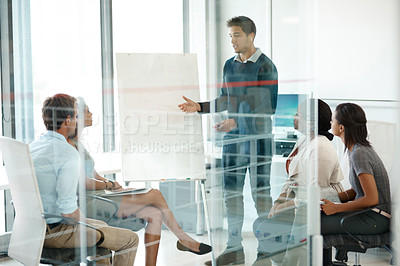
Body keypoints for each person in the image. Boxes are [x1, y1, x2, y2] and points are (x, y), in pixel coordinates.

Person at [179, 16, 278, 265]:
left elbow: (268, 107)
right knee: (231, 196)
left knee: (260, 195)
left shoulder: (266, 66)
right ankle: (234, 250)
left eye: (236, 35)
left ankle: (266, 251)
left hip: (258, 141)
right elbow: (226, 100)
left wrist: (238, 120)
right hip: (234, 141)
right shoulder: (229, 65)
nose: (232, 40)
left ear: (251, 36)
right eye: (230, 36)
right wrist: (199, 106)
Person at [68, 97, 211, 266]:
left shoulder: (79, 143)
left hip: (99, 194)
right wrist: (109, 185)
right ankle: (184, 239)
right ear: (77, 118)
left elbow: (94, 175)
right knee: (155, 194)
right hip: (89, 201)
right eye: (87, 111)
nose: (91, 114)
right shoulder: (70, 145)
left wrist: (112, 185)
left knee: (155, 214)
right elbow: (83, 183)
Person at [29, 94, 138, 265]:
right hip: (56, 230)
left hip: (33, 229)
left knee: (102, 233)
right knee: (130, 240)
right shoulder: (67, 153)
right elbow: (68, 211)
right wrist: (87, 223)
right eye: (76, 116)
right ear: (67, 121)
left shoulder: (34, 146)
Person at [252, 99, 344, 266]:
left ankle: (285, 259)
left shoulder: (320, 149)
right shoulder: (304, 140)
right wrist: (280, 200)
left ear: (310, 122)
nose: (293, 117)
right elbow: (291, 177)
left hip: (314, 208)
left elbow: (316, 196)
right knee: (260, 223)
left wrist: (281, 207)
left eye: (297, 114)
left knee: (266, 228)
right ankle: (277, 258)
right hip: (298, 201)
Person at [321, 103, 391, 266]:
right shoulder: (357, 149)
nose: (330, 123)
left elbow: (371, 198)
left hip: (375, 218)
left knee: (317, 224)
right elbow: (358, 190)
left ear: (341, 127)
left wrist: (336, 208)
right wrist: (332, 198)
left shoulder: (359, 153)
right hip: (370, 213)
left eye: (332, 120)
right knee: (320, 217)